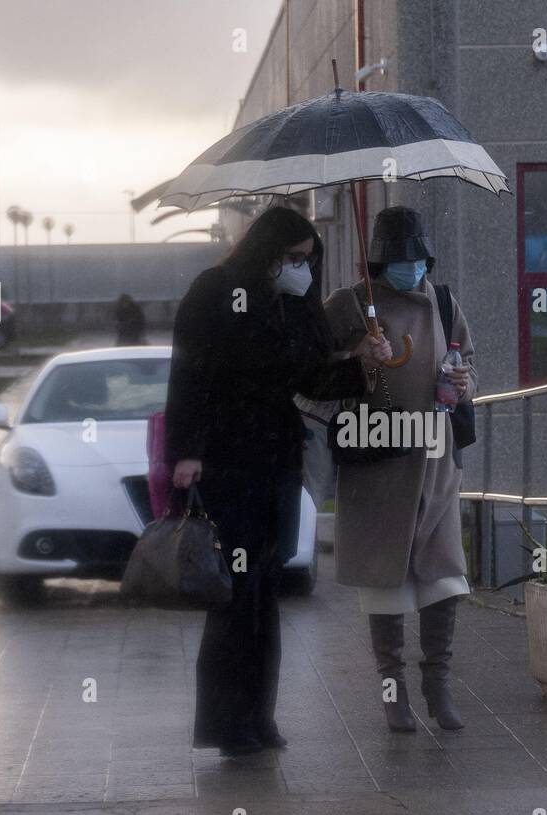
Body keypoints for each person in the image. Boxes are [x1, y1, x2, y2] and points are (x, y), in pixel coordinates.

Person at [164, 206, 391, 757]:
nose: (302, 270)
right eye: (292, 259)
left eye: (308, 261)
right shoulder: (216, 290)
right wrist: (186, 451)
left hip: (277, 459)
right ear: (265, 252)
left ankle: (259, 717)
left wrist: (365, 362)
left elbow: (310, 377)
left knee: (266, 592)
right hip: (227, 460)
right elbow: (188, 372)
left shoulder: (295, 305)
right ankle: (227, 723)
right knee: (235, 593)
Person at [323, 206, 478, 733]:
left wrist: (462, 384)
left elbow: (467, 363)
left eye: (417, 256)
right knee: (384, 578)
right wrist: (360, 358)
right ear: (379, 257)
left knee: (443, 575)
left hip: (435, 462)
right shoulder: (348, 304)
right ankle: (394, 692)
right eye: (399, 257)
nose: (409, 266)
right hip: (377, 461)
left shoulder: (443, 300)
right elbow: (313, 376)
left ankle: (439, 685)